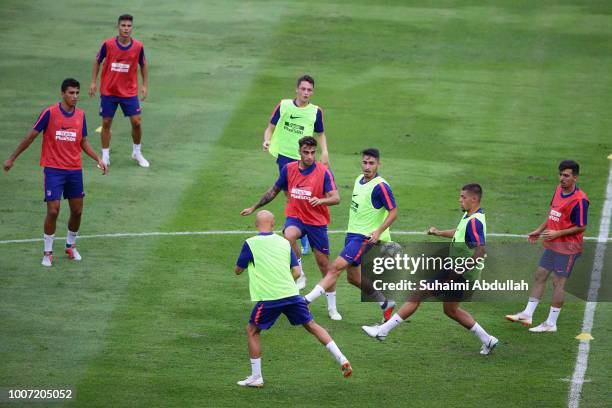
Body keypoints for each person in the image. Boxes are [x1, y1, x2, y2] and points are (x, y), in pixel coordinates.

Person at [362, 184, 499, 355]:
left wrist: (459, 271)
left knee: (418, 293)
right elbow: (459, 232)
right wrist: (439, 233)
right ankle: (488, 339)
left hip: (458, 274)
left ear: (474, 199)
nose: (460, 199)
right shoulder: (471, 215)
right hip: (459, 272)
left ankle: (383, 331)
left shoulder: (475, 222)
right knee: (451, 310)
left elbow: (480, 251)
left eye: (463, 197)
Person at [235, 210, 352, 387]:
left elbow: (238, 270)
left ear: (256, 224)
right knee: (312, 326)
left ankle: (256, 377)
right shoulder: (284, 243)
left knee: (252, 330)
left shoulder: (250, 243)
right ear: (273, 224)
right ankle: (342, 358)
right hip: (291, 294)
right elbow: (297, 272)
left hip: (270, 298)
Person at [3, 78, 107, 266]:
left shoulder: (81, 116)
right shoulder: (49, 113)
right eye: (71, 93)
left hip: (74, 170)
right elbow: (30, 136)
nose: (75, 96)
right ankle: (47, 252)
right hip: (53, 170)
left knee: (77, 211)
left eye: (77, 93)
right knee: (53, 210)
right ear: (62, 94)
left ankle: (70, 245)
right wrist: (12, 158)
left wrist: (97, 158)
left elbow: (83, 141)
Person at [241, 136, 342, 320]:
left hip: (317, 222)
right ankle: (300, 272)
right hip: (295, 217)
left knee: (324, 265)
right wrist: (254, 207)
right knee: (288, 236)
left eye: (313, 152)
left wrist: (321, 200)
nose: (310, 156)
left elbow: (336, 197)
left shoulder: (323, 172)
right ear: (299, 152)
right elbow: (273, 191)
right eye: (306, 152)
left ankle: (332, 307)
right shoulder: (289, 170)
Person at [304, 148, 397, 322]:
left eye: (371, 163)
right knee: (353, 278)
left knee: (335, 267)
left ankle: (305, 301)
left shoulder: (381, 186)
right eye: (365, 162)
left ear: (378, 164)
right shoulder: (358, 180)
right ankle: (385, 303)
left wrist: (378, 232)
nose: (367, 166)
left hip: (364, 237)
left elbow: (393, 212)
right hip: (352, 234)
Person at [506, 160, 589, 332]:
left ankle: (551, 323)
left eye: (566, 175)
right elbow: (553, 214)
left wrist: (558, 233)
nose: (561, 178)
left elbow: (581, 226)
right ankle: (528, 314)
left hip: (568, 248)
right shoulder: (558, 190)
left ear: (575, 177)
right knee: (540, 275)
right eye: (560, 174)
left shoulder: (580, 200)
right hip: (553, 245)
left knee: (558, 283)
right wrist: (538, 230)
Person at [262, 74, 329, 254]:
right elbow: (270, 127)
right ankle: (301, 230)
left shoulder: (316, 111)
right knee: (290, 194)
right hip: (285, 157)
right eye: (303, 89)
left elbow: (320, 133)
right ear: (297, 89)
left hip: (304, 159)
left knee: (304, 193)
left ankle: (304, 232)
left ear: (312, 92)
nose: (306, 93)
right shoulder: (283, 105)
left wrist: (325, 152)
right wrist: (267, 140)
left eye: (309, 90)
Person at [89, 14, 149, 168]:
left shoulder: (138, 47)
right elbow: (97, 61)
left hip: (129, 92)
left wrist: (144, 85)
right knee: (106, 122)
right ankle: (105, 156)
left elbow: (143, 64)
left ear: (132, 28)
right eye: (123, 26)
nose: (126, 29)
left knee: (136, 122)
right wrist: (93, 82)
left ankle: (137, 152)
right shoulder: (108, 44)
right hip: (109, 91)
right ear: (118, 27)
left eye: (129, 26)